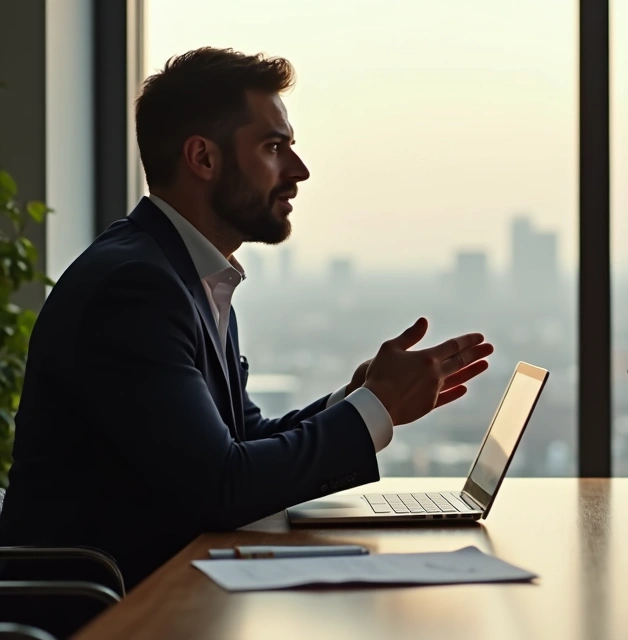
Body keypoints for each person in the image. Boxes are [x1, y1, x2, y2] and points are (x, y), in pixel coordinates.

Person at [0, 47, 495, 587]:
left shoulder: (187, 271)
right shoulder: (136, 288)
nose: (299, 170)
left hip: (162, 587)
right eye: (273, 147)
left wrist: (358, 399)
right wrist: (377, 409)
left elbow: (238, 440)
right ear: (203, 158)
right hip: (102, 609)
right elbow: (223, 486)